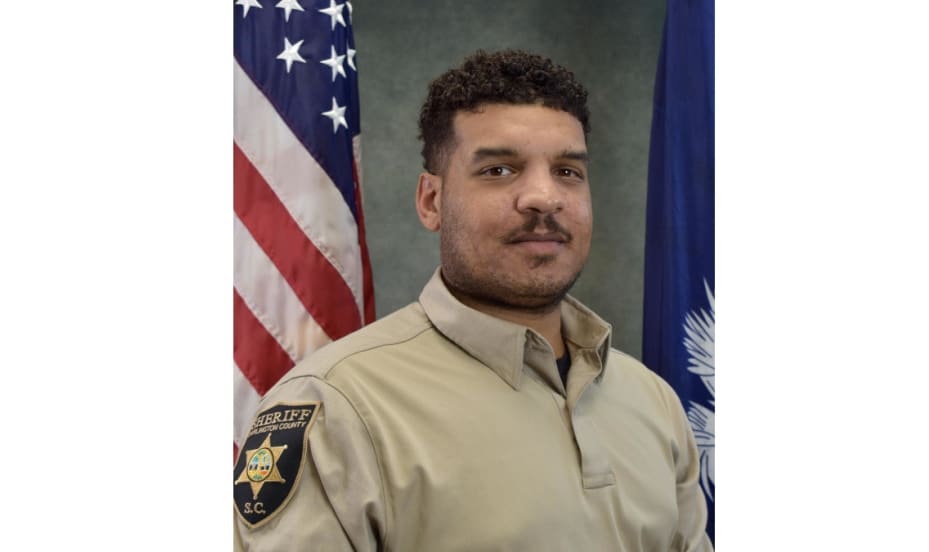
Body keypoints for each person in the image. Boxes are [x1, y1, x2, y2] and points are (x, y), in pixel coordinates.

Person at [233, 49, 713, 551]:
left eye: (568, 171)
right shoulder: (336, 407)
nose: (544, 197)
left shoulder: (653, 401)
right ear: (431, 201)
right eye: (500, 170)